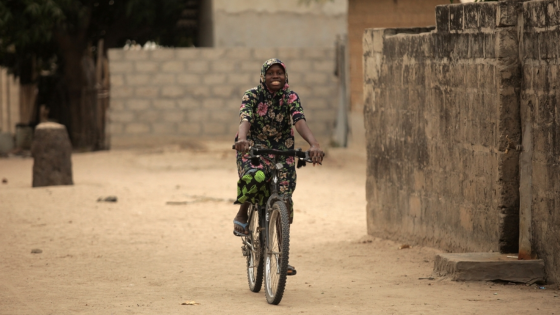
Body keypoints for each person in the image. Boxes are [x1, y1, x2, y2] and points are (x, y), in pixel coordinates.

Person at [233, 58, 324, 275]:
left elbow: (299, 120)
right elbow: (245, 118)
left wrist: (314, 144)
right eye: (271, 73)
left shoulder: (290, 96)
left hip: (283, 150)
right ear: (263, 76)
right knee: (254, 178)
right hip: (253, 147)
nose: (276, 77)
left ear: (285, 76)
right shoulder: (252, 95)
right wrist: (243, 140)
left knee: (284, 199)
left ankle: (282, 259)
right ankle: (243, 212)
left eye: (279, 73)